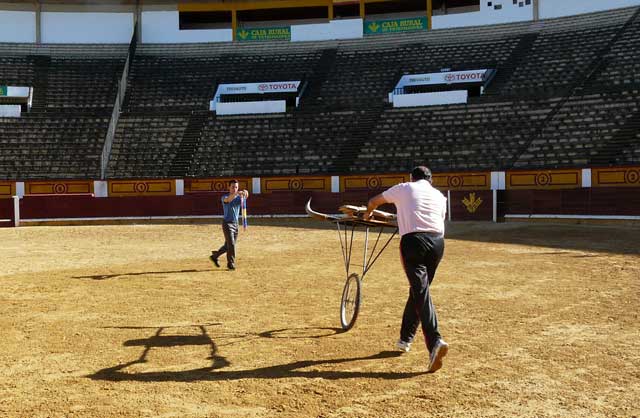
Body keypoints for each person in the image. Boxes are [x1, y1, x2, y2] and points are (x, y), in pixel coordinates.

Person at [364, 166, 448, 373]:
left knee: (421, 292)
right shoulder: (439, 196)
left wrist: (368, 214)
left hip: (413, 242)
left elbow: (374, 201)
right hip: (438, 243)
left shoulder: (404, 187)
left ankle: (435, 341)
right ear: (430, 180)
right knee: (419, 290)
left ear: (412, 178)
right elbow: (435, 218)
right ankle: (405, 338)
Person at [210, 180, 249, 270]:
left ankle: (214, 256)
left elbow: (246, 196)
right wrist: (237, 194)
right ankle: (230, 263)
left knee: (228, 245)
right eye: (233, 187)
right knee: (231, 244)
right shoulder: (225, 197)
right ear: (229, 187)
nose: (234, 189)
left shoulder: (239, 198)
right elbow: (228, 199)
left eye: (236, 187)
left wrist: (245, 192)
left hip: (235, 224)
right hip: (227, 223)